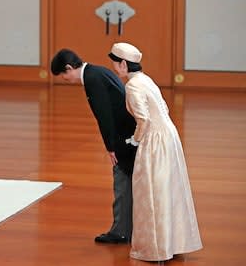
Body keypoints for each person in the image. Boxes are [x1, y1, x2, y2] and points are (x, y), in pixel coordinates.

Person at [109, 42, 202, 261]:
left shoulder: (132, 86)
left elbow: (143, 119)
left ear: (123, 64)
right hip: (169, 135)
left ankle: (155, 248)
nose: (114, 68)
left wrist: (134, 140)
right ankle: (173, 242)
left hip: (154, 141)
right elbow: (164, 109)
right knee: (169, 189)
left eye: (115, 63)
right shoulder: (146, 79)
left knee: (150, 192)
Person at [50, 49, 137, 243]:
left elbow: (104, 116)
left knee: (122, 183)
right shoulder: (97, 71)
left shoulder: (92, 79)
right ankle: (128, 229)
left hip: (123, 137)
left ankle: (121, 232)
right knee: (128, 183)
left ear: (68, 68)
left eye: (63, 75)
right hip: (128, 133)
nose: (64, 79)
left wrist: (110, 147)